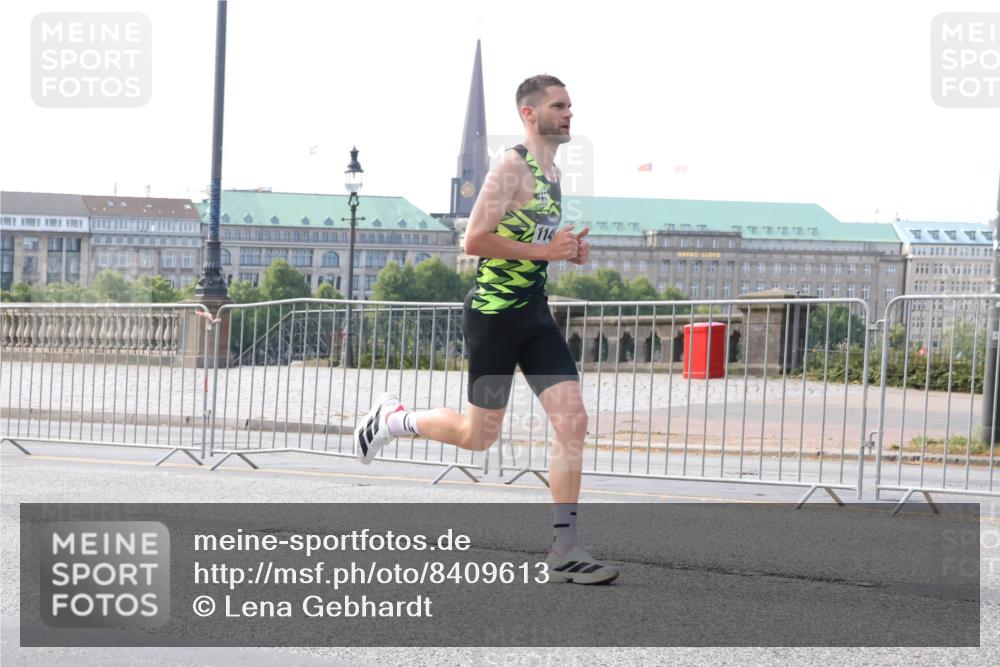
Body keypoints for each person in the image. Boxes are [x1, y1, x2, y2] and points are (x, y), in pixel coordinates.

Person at [355, 74, 619, 584]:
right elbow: (474, 239)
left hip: (535, 316)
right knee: (479, 436)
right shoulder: (509, 167)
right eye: (559, 106)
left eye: (570, 106)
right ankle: (393, 419)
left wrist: (568, 250)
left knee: (572, 421)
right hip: (495, 318)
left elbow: (529, 239)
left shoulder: (554, 175)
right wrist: (547, 249)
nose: (569, 114)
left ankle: (565, 548)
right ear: (529, 113)